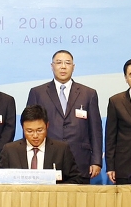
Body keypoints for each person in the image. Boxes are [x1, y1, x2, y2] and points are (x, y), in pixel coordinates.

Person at [25, 50, 103, 181]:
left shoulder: (88, 94)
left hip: (80, 160)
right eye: (59, 62)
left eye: (67, 63)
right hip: (46, 159)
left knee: (79, 201)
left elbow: (95, 130)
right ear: (52, 66)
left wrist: (96, 160)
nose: (63, 66)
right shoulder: (37, 93)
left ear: (73, 67)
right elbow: (29, 126)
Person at [0, 105, 86, 183]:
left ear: (47, 126)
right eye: (29, 131)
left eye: (39, 130)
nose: (35, 135)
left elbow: (76, 179)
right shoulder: (10, 150)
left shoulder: (61, 149)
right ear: (22, 128)